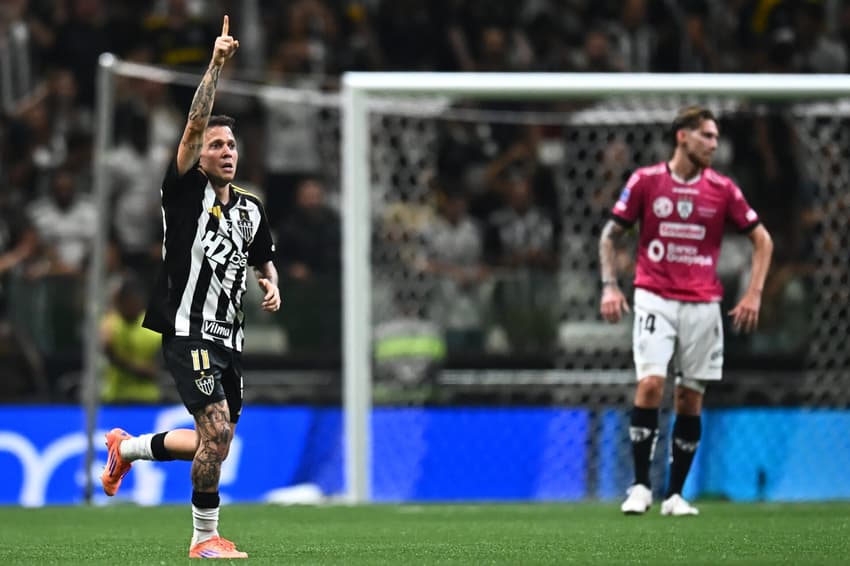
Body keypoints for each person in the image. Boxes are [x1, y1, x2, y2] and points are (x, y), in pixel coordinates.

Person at [100, 16, 280, 559]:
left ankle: (125, 449)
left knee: (211, 445)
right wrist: (217, 63)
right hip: (186, 330)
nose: (226, 151)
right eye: (216, 144)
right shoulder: (183, 193)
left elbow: (262, 258)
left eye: (232, 145)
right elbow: (192, 125)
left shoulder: (250, 208)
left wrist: (270, 284)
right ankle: (205, 540)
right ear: (198, 155)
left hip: (230, 340)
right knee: (218, 434)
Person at [598, 106, 773, 517]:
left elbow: (762, 241)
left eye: (715, 137)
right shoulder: (646, 181)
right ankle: (640, 486)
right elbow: (610, 235)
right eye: (707, 136)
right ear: (682, 136)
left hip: (703, 303)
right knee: (650, 385)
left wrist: (754, 294)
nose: (714, 144)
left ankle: (674, 495)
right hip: (654, 294)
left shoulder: (723, 189)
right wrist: (609, 285)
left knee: (690, 397)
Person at [99, 273, 162, 404]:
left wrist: (121, 361)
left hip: (147, 399)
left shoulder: (154, 327)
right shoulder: (110, 323)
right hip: (115, 397)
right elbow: (105, 351)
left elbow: (156, 371)